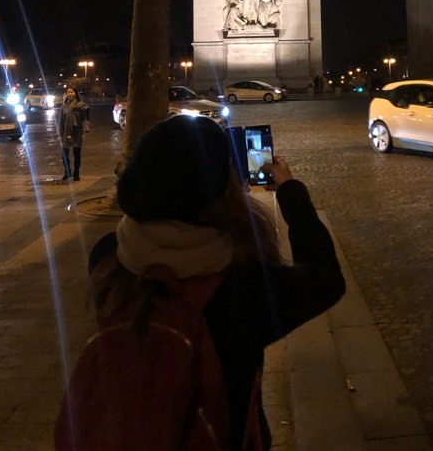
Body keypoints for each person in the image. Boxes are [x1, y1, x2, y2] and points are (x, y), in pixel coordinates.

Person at [85, 115, 345, 449]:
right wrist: (290, 191)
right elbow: (326, 279)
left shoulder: (108, 256)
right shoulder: (244, 287)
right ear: (222, 189)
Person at [57, 86, 90, 182]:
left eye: (72, 92)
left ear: (75, 93)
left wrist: (85, 131)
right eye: (68, 92)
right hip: (66, 132)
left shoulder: (81, 106)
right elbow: (60, 121)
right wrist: (59, 133)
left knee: (77, 154)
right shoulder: (63, 107)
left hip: (77, 132)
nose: (70, 94)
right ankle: (67, 172)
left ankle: (76, 174)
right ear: (66, 94)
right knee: (64, 154)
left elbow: (85, 119)